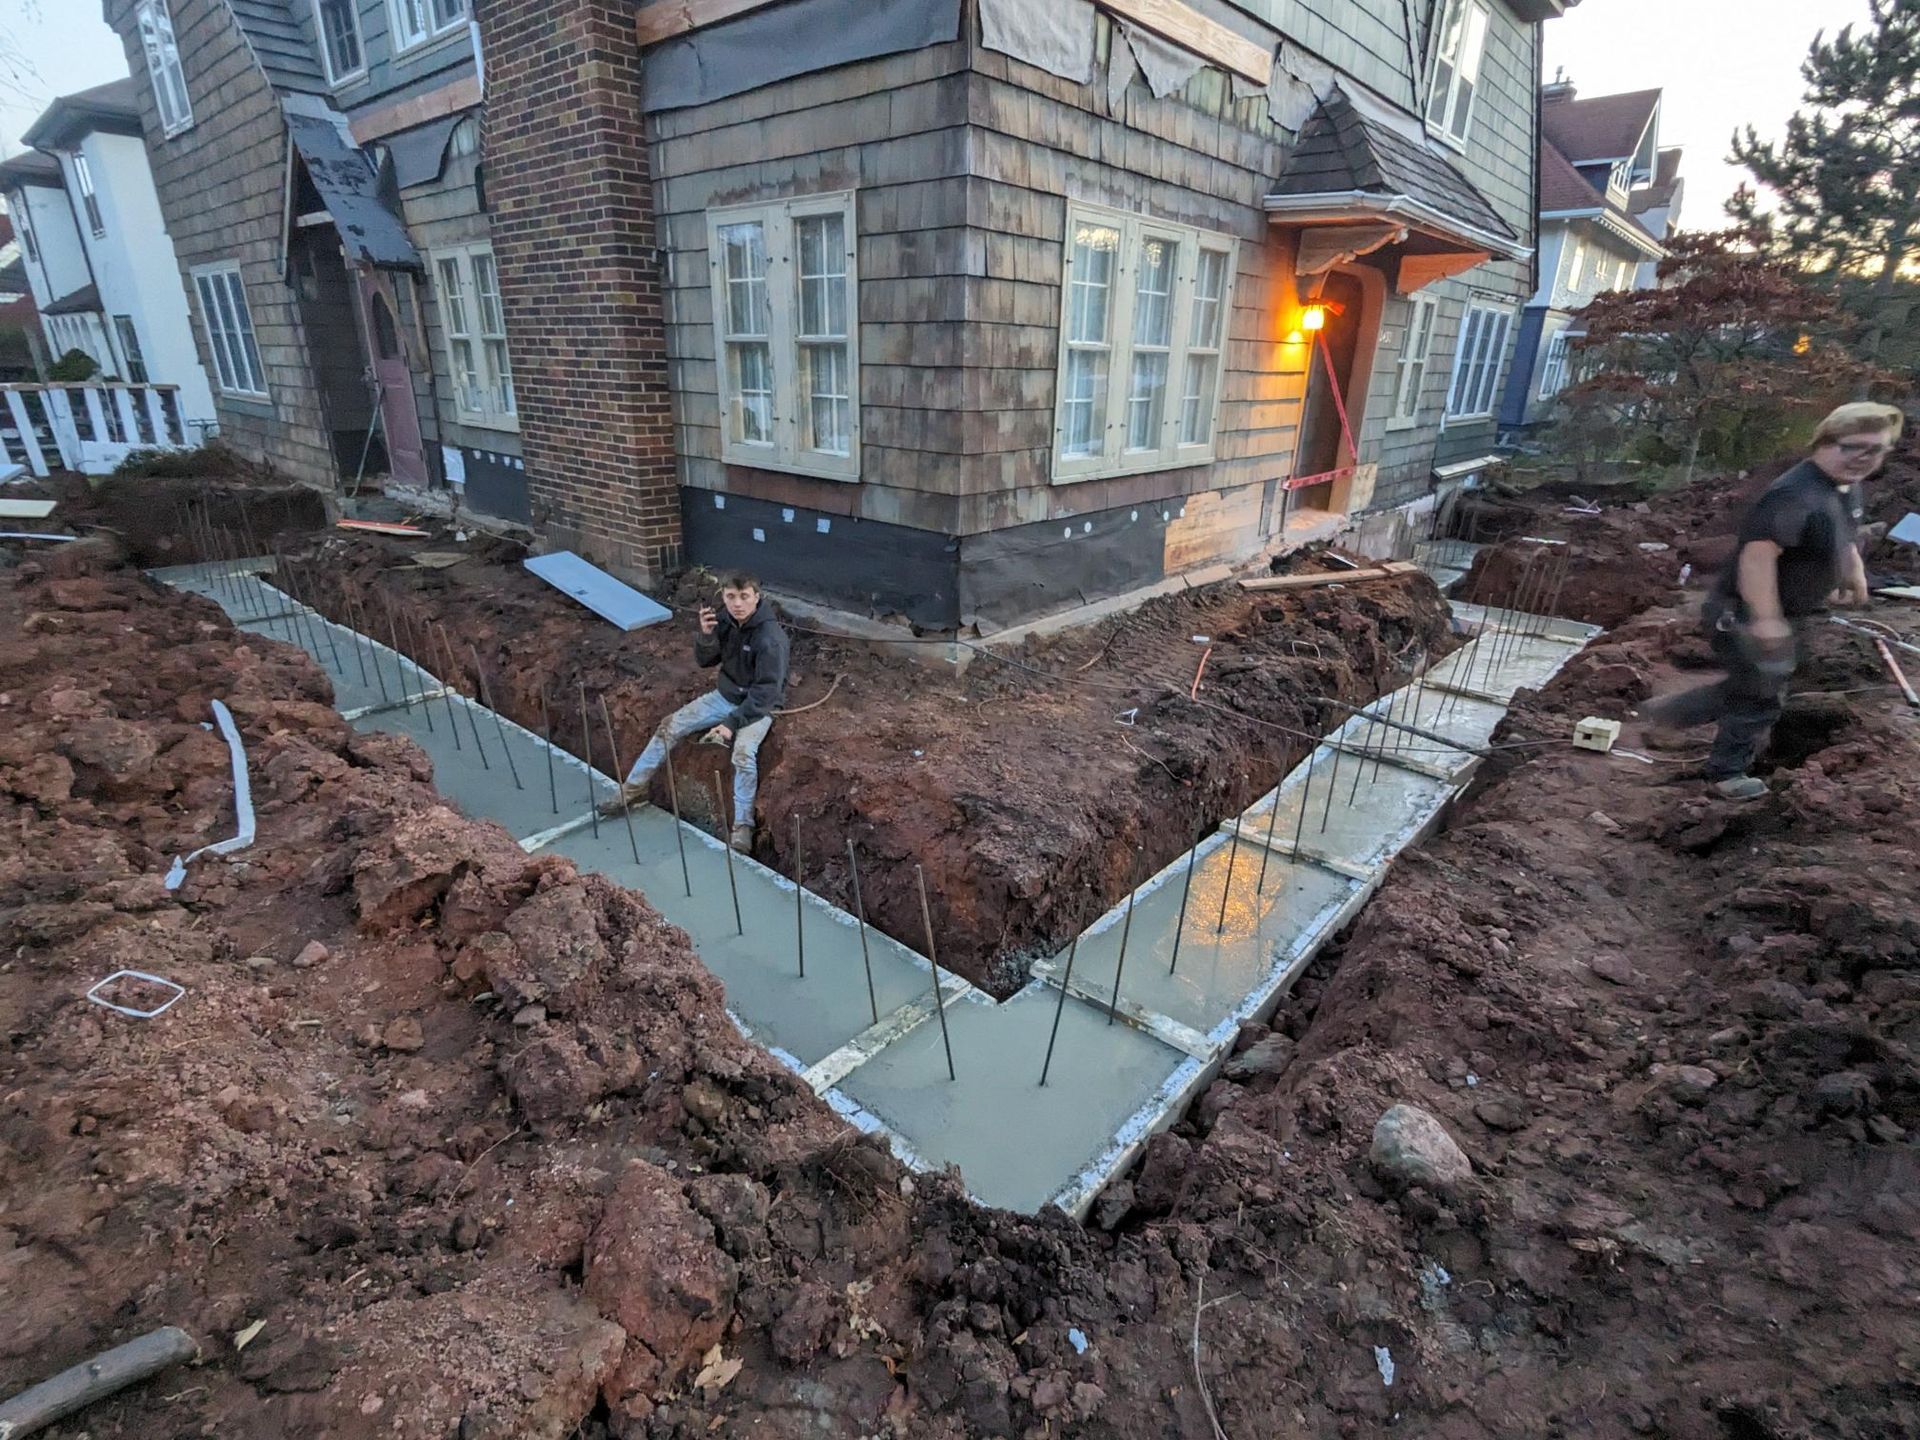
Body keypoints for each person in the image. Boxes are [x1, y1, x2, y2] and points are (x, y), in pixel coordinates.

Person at [1646, 401, 1902, 800]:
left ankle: (1668, 715)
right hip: (1743, 611)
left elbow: (1846, 533)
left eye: (1877, 450)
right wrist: (1766, 619)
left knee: (1757, 683)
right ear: (1826, 441)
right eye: (1855, 447)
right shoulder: (1793, 495)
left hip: (1791, 611)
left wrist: (1853, 572)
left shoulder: (1845, 487)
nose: (1865, 458)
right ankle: (1725, 774)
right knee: (1761, 696)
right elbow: (1758, 557)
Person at [611, 573, 789, 850]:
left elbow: (766, 692)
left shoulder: (770, 639)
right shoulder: (726, 621)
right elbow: (706, 661)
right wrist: (706, 637)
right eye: (731, 596)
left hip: (757, 707)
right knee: (669, 726)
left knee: (743, 754)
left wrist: (732, 722)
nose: (737, 603)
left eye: (744, 597)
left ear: (757, 597)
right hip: (725, 695)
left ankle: (743, 826)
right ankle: (632, 789)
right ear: (724, 597)